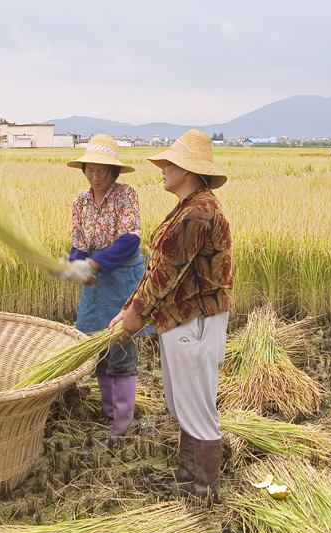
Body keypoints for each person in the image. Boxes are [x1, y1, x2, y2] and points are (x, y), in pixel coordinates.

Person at [110, 129, 232, 502]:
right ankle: (186, 474)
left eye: (169, 164)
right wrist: (129, 308)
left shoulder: (197, 213)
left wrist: (134, 317)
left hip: (193, 319)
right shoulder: (190, 206)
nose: (162, 168)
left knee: (196, 404)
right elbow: (159, 268)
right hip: (180, 317)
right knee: (185, 401)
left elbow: (167, 274)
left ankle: (204, 492)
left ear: (189, 171)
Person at [54, 134, 143, 437]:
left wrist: (94, 264)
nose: (94, 176)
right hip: (95, 286)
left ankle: (122, 421)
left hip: (121, 280)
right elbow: (79, 243)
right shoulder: (80, 201)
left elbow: (130, 241)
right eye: (89, 170)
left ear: (113, 172)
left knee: (121, 347)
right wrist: (74, 263)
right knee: (98, 349)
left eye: (101, 171)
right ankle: (109, 413)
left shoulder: (126, 196)